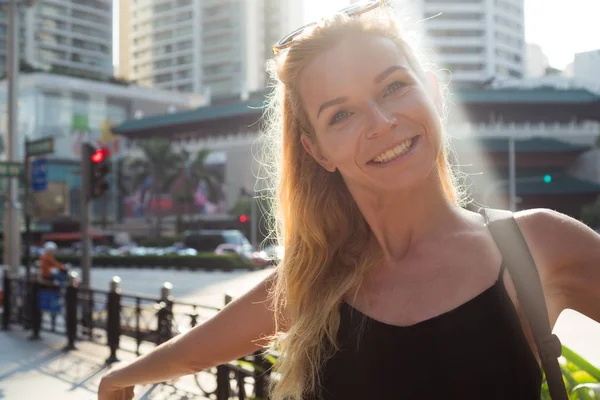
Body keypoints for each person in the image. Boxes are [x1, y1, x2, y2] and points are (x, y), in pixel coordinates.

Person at [99, 2, 600, 399]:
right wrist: (117, 379)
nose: (381, 123)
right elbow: (189, 356)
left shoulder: (538, 244)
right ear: (316, 150)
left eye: (395, 87)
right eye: (341, 115)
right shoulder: (314, 281)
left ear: (433, 93)